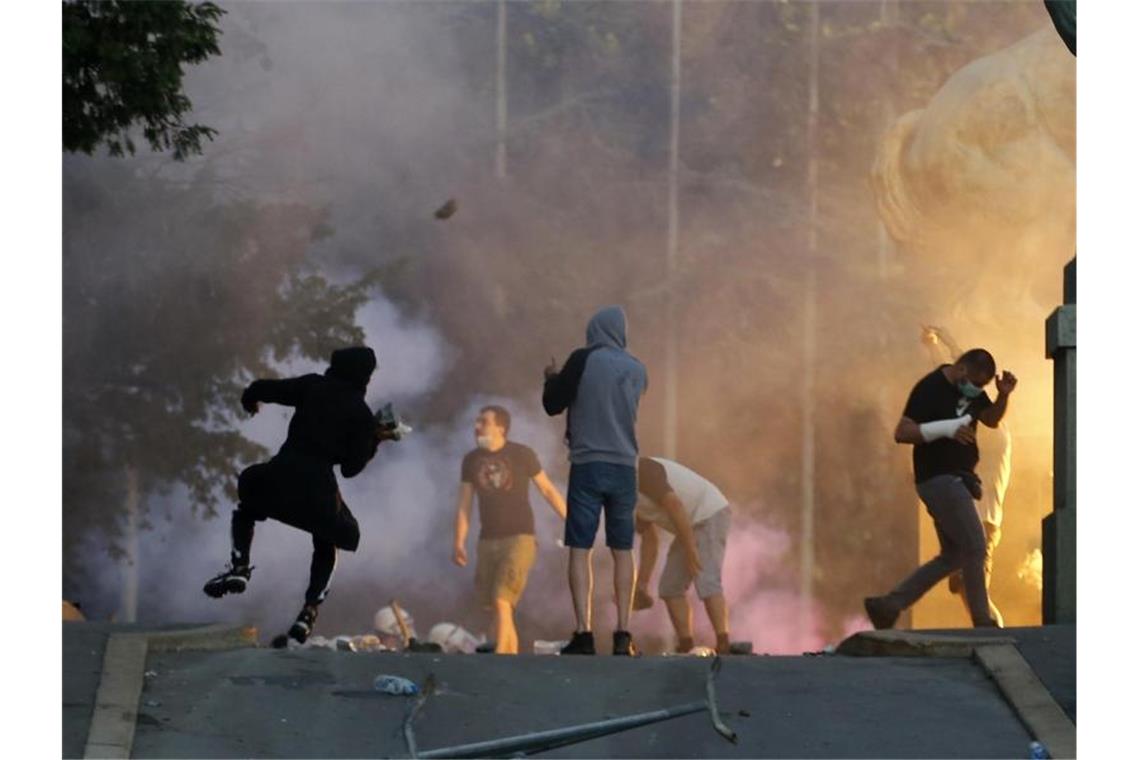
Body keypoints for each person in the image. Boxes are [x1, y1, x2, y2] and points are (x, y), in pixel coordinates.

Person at [203, 347, 390, 644]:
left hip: (281, 475)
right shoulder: (361, 414)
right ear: (364, 376)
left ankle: (240, 567)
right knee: (328, 539)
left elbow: (270, 389)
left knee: (247, 507)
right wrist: (375, 439)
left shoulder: (313, 385)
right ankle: (310, 609)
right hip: (319, 491)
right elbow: (351, 469)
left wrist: (251, 397)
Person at [864, 347, 1017, 629]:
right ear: (961, 370)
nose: (977, 390)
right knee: (975, 545)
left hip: (956, 480)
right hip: (940, 479)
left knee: (954, 555)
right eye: (976, 383)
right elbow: (902, 432)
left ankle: (888, 605)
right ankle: (983, 621)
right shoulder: (930, 388)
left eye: (982, 386)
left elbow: (991, 419)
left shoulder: (970, 389)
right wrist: (945, 429)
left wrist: (1003, 395)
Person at [543, 306, 648, 656]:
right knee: (623, 551)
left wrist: (552, 378)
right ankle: (623, 633)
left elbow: (553, 404)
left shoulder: (583, 359)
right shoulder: (638, 369)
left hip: (589, 464)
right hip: (625, 468)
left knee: (580, 548)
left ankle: (584, 633)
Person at [452, 405, 568, 654]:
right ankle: (510, 659)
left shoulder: (522, 454)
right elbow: (464, 504)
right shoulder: (471, 460)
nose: (477, 426)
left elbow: (546, 489)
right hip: (487, 540)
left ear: (500, 427)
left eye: (483, 421)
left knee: (502, 598)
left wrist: (570, 519)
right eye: (476, 421)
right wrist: (459, 541)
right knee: (497, 607)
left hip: (520, 538)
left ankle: (499, 659)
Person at [922, 327, 1011, 626]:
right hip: (974, 516)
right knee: (969, 590)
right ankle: (988, 627)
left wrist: (942, 342)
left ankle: (996, 635)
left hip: (982, 521)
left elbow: (963, 381)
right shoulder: (985, 428)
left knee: (974, 591)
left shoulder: (994, 434)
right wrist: (940, 343)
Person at [631, 457, 733, 654]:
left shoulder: (643, 470)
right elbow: (650, 541)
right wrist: (641, 586)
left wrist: (690, 547)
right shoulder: (622, 495)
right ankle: (686, 646)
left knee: (706, 578)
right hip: (688, 524)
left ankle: (724, 643)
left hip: (709, 512)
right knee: (670, 587)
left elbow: (675, 505)